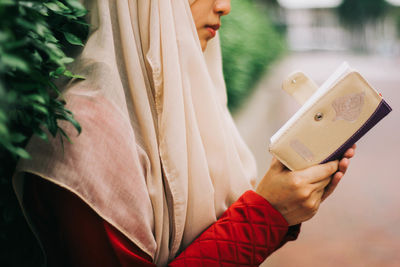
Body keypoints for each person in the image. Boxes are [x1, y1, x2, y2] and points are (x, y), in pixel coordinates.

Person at [13, 0, 356, 266]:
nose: (225, 6)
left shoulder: (184, 105)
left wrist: (286, 201)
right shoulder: (82, 132)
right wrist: (266, 213)